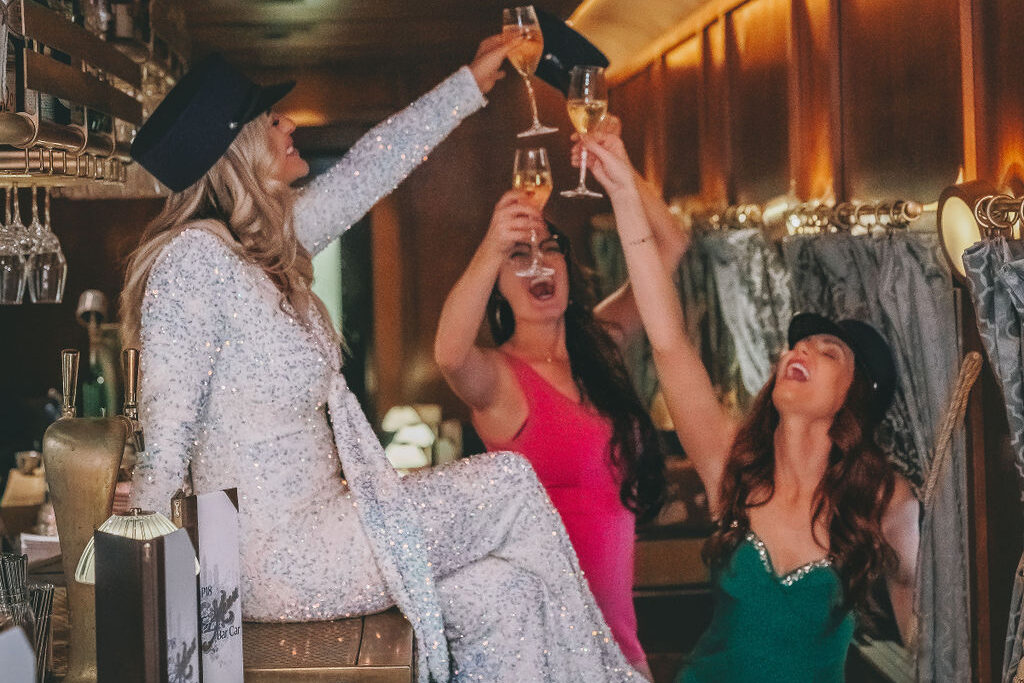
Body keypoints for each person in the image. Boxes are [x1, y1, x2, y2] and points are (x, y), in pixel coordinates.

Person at [121, 42, 644, 682]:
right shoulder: (192, 261)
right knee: (509, 480)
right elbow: (164, 447)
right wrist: (139, 614)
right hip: (274, 558)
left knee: (504, 594)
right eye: (271, 118)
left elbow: (371, 167)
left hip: (332, 523)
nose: (289, 123)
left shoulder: (264, 248)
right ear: (237, 146)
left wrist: (468, 83)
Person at [576, 131, 919, 682]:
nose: (801, 350)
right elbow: (668, 341)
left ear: (853, 398)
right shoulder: (730, 463)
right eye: (799, 344)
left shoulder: (883, 498)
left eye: (828, 351)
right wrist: (623, 195)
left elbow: (921, 623)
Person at [434, 115, 688, 679]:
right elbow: (450, 354)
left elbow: (672, 244)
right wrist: (492, 244)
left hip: (621, 646)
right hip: (542, 654)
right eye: (518, 256)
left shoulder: (601, 346)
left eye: (550, 250)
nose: (539, 263)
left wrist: (618, 167)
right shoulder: (500, 379)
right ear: (497, 285)